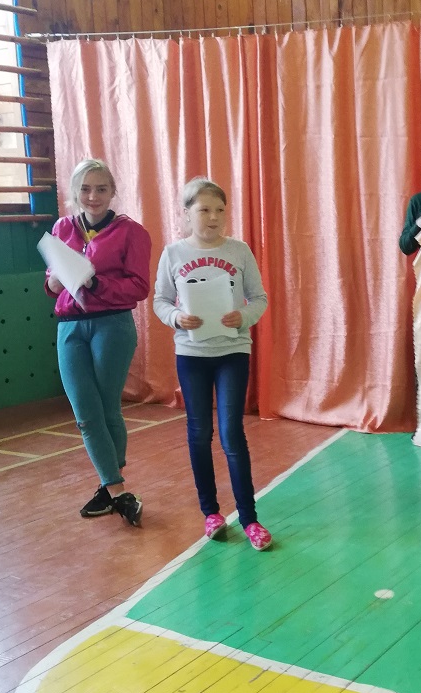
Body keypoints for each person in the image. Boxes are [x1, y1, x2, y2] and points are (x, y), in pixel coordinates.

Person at [153, 177, 273, 550]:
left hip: (233, 351)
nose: (213, 217)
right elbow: (160, 300)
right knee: (199, 431)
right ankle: (211, 513)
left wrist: (244, 316)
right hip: (192, 356)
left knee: (231, 432)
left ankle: (250, 518)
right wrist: (176, 318)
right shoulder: (173, 253)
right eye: (204, 209)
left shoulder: (239, 251)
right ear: (186, 213)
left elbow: (259, 298)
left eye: (220, 210)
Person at [45, 158, 151, 525]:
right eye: (86, 189)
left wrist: (94, 282)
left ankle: (111, 488)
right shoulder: (62, 227)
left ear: (112, 192)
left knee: (106, 410)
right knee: (86, 416)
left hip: (113, 326)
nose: (93, 196)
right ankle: (117, 491)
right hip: (69, 327)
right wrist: (54, 281)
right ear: (75, 192)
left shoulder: (132, 232)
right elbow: (51, 282)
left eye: (101, 188)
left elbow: (139, 287)